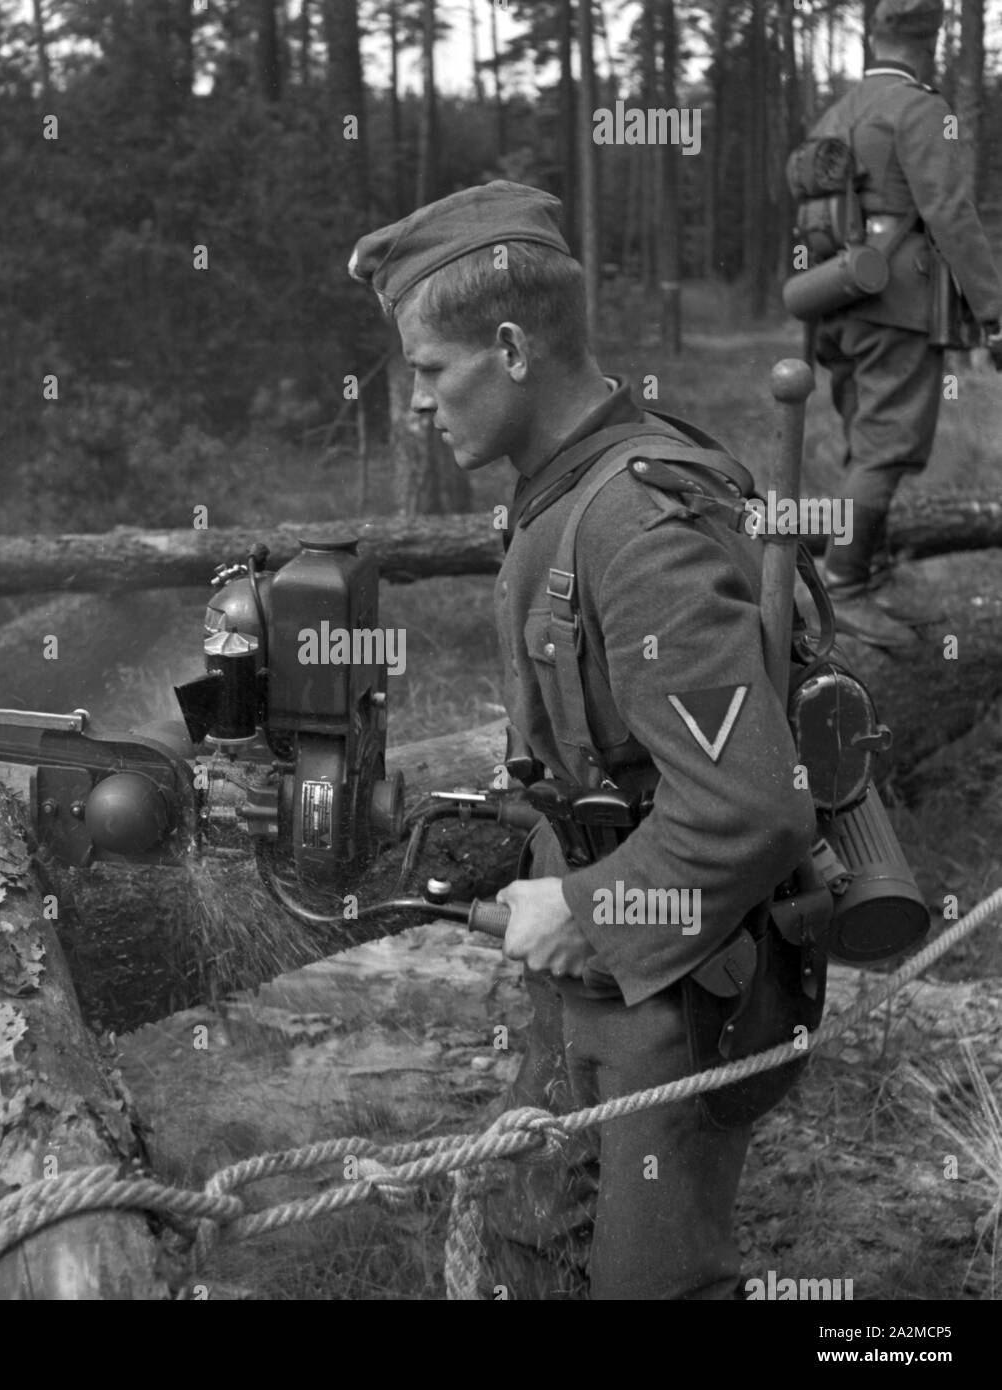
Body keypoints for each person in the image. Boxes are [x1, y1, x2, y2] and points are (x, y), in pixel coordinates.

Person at [349, 180, 817, 1299]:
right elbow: (613, 749)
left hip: (680, 995)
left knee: (647, 1286)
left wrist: (590, 911)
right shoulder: (562, 488)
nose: (415, 404)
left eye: (427, 370)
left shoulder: (632, 521)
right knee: (527, 1254)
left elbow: (750, 803)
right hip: (605, 979)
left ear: (508, 346)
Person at [805, 0, 1002, 650]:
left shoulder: (835, 113)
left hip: (833, 301)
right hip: (894, 305)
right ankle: (847, 586)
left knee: (865, 442)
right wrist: (993, 312)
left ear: (872, 34)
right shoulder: (921, 110)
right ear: (934, 40)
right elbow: (948, 211)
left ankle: (868, 572)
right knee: (887, 447)